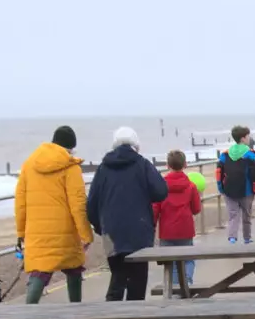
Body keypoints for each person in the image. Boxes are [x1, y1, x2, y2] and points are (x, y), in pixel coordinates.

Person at [86, 126, 169, 305]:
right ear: (136, 144)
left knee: (118, 271)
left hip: (111, 229)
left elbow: (91, 202)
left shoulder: (103, 168)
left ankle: (114, 309)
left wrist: (99, 226)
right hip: (139, 228)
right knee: (138, 275)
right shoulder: (142, 164)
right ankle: (134, 318)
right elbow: (161, 191)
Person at [15, 125, 93, 304]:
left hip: (36, 231)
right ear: (70, 147)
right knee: (73, 268)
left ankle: (29, 312)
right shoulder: (71, 166)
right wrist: (86, 234)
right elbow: (78, 204)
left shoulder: (29, 164)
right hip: (65, 231)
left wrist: (20, 233)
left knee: (40, 271)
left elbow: (20, 203)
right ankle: (75, 309)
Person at [153, 149, 204, 292]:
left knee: (171, 262)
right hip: (185, 229)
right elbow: (196, 209)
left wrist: (152, 225)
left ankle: (175, 287)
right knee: (188, 259)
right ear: (185, 164)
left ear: (167, 165)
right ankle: (186, 281)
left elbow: (155, 209)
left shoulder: (161, 186)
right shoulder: (191, 186)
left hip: (167, 230)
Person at [217, 125, 255, 243]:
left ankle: (232, 237)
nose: (249, 138)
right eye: (248, 136)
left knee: (233, 215)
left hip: (229, 190)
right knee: (246, 215)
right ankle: (247, 238)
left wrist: (221, 188)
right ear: (243, 138)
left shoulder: (225, 154)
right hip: (246, 190)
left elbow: (219, 173)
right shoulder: (249, 154)